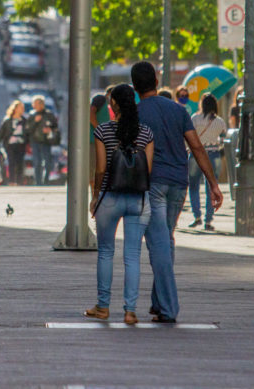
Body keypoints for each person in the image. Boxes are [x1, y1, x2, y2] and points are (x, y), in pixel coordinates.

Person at [131, 62, 223, 323]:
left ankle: (169, 308)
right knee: (166, 239)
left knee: (158, 242)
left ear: (135, 86)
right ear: (157, 80)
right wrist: (213, 184)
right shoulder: (178, 110)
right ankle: (159, 303)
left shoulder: (136, 113)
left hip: (153, 184)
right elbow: (196, 147)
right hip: (178, 184)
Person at [86, 84, 155, 325]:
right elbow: (148, 170)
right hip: (138, 198)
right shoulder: (146, 132)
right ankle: (130, 310)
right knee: (133, 255)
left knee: (105, 252)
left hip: (109, 196)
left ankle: (103, 307)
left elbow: (101, 169)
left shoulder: (102, 131)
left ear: (113, 104)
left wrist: (95, 196)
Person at [187, 93, 227, 231]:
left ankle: (197, 216)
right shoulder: (220, 122)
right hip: (214, 155)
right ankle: (208, 220)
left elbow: (188, 136)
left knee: (193, 186)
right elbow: (223, 139)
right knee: (212, 188)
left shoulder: (195, 119)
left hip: (196, 154)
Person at [27, 95, 60, 186]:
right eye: (34, 103)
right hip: (35, 141)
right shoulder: (32, 115)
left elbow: (56, 127)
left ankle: (45, 181)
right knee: (37, 162)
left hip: (46, 142)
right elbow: (28, 129)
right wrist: (35, 121)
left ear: (42, 104)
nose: (34, 105)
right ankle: (38, 182)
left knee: (47, 162)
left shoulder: (49, 114)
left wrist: (49, 130)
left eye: (37, 103)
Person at [0, 101, 28, 185]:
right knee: (11, 162)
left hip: (21, 144)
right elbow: (1, 133)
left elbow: (28, 132)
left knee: (20, 163)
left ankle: (19, 181)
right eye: (20, 107)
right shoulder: (7, 120)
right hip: (10, 144)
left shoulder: (24, 120)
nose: (22, 109)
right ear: (15, 108)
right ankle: (12, 181)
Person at [89, 94, 108, 196]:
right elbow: (91, 112)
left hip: (99, 141)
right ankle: (95, 200)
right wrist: (99, 129)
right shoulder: (100, 99)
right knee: (95, 173)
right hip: (94, 142)